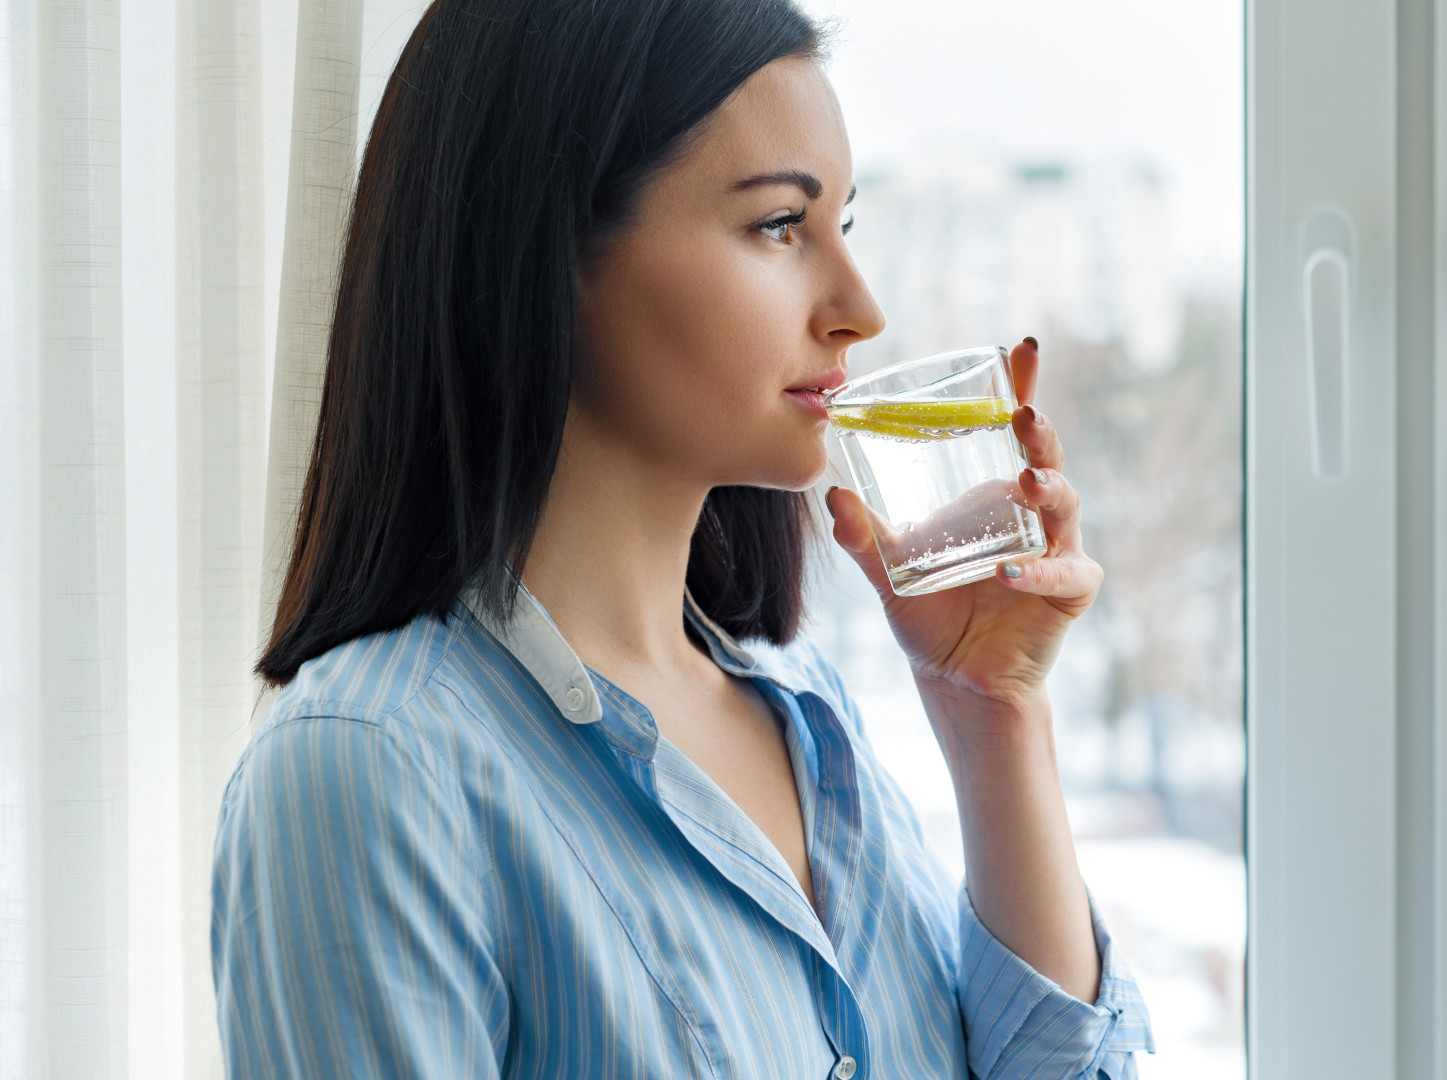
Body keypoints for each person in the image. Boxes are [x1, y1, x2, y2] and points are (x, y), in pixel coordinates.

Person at [211, 0, 1154, 1076]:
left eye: (843, 227)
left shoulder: (809, 721)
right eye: (777, 226)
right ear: (545, 244)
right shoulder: (369, 771)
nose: (860, 308)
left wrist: (997, 716)